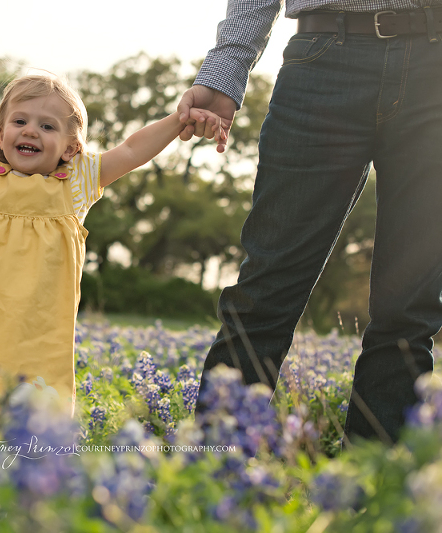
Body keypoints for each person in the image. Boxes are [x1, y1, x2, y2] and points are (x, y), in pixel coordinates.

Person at [177, 0, 442, 444]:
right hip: (323, 61)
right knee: (266, 287)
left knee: (408, 309)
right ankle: (214, 471)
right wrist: (225, 69)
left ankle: (376, 486)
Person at [0, 73, 224, 424]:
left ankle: (37, 465)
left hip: (44, 329)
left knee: (39, 414)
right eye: (19, 121)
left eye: (47, 126)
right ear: (1, 134)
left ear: (70, 148)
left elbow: (130, 150)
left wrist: (178, 120)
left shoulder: (77, 184)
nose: (31, 131)